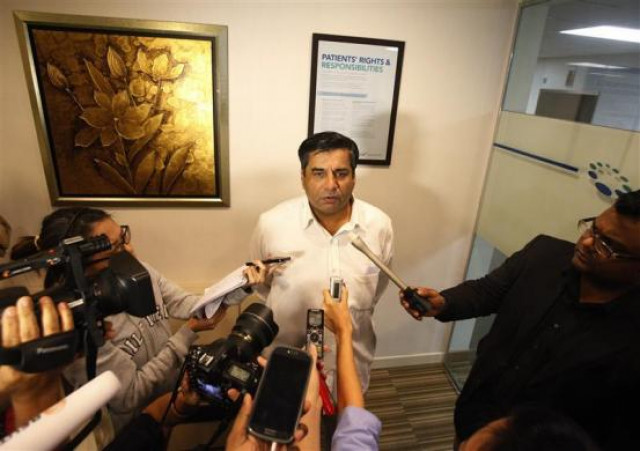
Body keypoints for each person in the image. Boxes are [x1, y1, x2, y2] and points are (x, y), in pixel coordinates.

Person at [400, 190, 640, 450]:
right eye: (593, 228)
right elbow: (488, 291)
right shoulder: (544, 254)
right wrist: (444, 302)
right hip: (476, 417)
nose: (587, 243)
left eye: (607, 246)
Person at [11, 207, 266, 432]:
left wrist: (241, 284)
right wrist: (186, 334)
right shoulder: (74, 322)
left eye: (124, 237)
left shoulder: (139, 272)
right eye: (116, 247)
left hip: (168, 407)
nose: (130, 250)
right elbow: (129, 395)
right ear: (78, 262)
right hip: (130, 429)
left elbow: (189, 305)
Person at [250, 131, 394, 393]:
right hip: (287, 363)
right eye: (318, 173)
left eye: (341, 173)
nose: (331, 184)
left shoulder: (379, 225)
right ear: (303, 177)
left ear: (353, 177)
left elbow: (376, 290)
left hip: (352, 364)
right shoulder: (271, 224)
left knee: (346, 420)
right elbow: (263, 287)